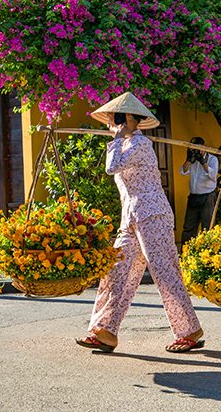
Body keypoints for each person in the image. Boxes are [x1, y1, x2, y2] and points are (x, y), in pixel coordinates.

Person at [75, 92, 203, 354]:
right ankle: (105, 330)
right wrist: (119, 138)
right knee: (116, 270)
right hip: (131, 215)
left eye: (115, 117)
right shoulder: (124, 143)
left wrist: (119, 137)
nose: (111, 121)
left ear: (128, 118)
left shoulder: (139, 144)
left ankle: (189, 330)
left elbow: (112, 167)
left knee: (164, 271)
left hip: (152, 213)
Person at [179, 137, 219, 245]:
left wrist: (203, 162)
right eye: (193, 148)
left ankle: (209, 253)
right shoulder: (192, 159)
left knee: (208, 226)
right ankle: (186, 252)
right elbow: (183, 171)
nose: (196, 151)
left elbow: (213, 176)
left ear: (203, 147)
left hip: (208, 196)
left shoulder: (212, 159)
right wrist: (188, 159)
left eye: (197, 148)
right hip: (193, 196)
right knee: (189, 226)